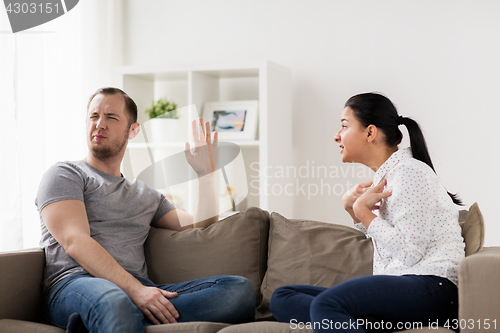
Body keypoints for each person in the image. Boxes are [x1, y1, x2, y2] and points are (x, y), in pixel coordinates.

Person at [36, 87, 255, 333]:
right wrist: (136, 291)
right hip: (75, 284)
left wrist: (206, 175)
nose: (99, 124)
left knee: (239, 291)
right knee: (113, 301)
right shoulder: (65, 174)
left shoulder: (146, 195)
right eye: (94, 116)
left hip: (136, 289)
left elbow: (200, 225)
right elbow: (75, 241)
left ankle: (102, 323)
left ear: (133, 130)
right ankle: (112, 316)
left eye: (111, 117)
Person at [270, 92, 465, 332]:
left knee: (327, 304)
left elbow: (410, 252)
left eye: (344, 125)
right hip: (403, 286)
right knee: (283, 297)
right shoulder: (388, 177)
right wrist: (354, 212)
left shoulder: (410, 172)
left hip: (433, 288)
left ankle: (340, 317)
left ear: (370, 132)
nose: (336, 136)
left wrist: (363, 211)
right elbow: (388, 246)